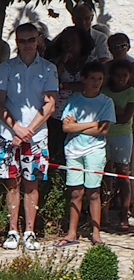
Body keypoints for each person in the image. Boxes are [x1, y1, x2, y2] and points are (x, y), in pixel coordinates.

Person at [0, 20, 61, 251]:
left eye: (31, 40)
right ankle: (12, 230)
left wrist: (28, 131)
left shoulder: (48, 68)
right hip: (8, 133)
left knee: (32, 184)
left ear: (38, 40)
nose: (27, 45)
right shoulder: (6, 68)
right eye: (22, 41)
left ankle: (30, 232)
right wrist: (16, 128)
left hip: (36, 135)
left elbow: (50, 104)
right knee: (12, 183)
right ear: (17, 43)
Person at [56, 60, 112, 246]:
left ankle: (96, 233)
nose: (96, 82)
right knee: (76, 192)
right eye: (92, 79)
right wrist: (91, 125)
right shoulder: (74, 100)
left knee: (94, 192)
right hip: (74, 150)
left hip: (95, 150)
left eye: (100, 79)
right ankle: (72, 233)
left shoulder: (106, 102)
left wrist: (77, 126)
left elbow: (103, 129)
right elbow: (66, 126)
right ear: (83, 79)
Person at [104, 57, 134, 232]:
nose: (121, 78)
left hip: (123, 136)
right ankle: (105, 213)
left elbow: (124, 118)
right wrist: (117, 110)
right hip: (105, 135)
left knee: (123, 174)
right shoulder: (106, 92)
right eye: (118, 75)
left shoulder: (131, 92)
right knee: (106, 174)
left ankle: (124, 213)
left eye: (125, 75)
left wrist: (113, 110)